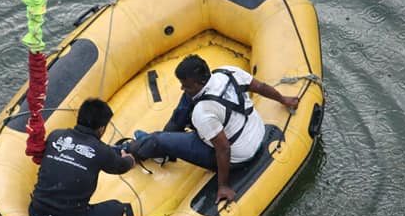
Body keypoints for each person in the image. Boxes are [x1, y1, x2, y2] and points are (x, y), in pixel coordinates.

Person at [128, 55, 299, 203]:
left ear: (201, 81)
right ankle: (170, 135)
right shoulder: (227, 72)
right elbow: (260, 87)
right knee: (188, 99)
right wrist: (283, 99)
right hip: (256, 131)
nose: (182, 88)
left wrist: (223, 185)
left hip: (238, 157)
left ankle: (132, 149)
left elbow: (223, 148)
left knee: (160, 139)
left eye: (186, 85)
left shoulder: (203, 112)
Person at [29, 98, 136, 216]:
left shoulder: (56, 135)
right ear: (101, 128)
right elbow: (122, 166)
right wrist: (129, 159)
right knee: (117, 208)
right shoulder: (101, 151)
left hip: (36, 215)